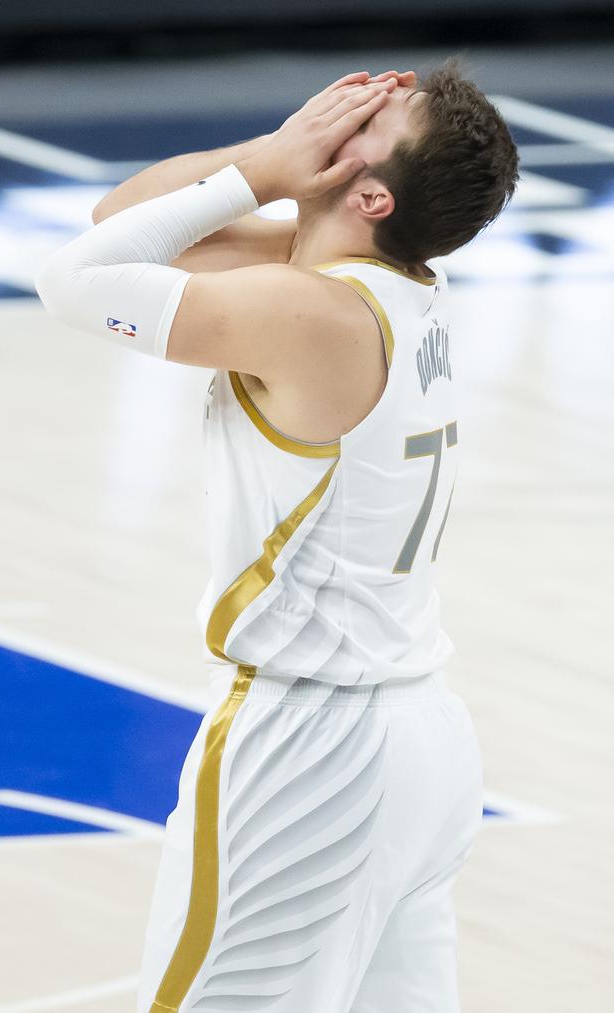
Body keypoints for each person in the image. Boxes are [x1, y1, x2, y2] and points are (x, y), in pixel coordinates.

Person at [35, 59, 519, 1013]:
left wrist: (262, 168)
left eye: (366, 120)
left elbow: (70, 280)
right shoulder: (387, 283)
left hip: (309, 751)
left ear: (370, 192)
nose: (336, 114)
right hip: (419, 735)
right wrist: (268, 162)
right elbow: (123, 218)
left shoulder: (311, 313)